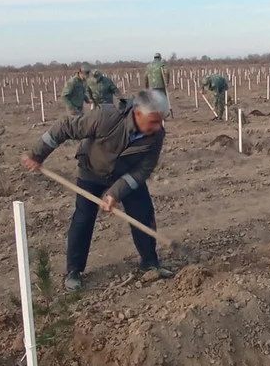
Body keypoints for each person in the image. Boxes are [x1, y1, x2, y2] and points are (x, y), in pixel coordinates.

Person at [21, 90, 174, 290]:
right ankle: (74, 270)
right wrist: (37, 154)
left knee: (143, 213)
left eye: (160, 122)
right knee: (83, 217)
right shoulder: (106, 117)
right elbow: (65, 127)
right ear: (137, 113)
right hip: (92, 170)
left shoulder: (156, 135)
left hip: (126, 174)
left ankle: (150, 263)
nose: (157, 127)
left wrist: (115, 193)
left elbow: (143, 170)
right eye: (153, 121)